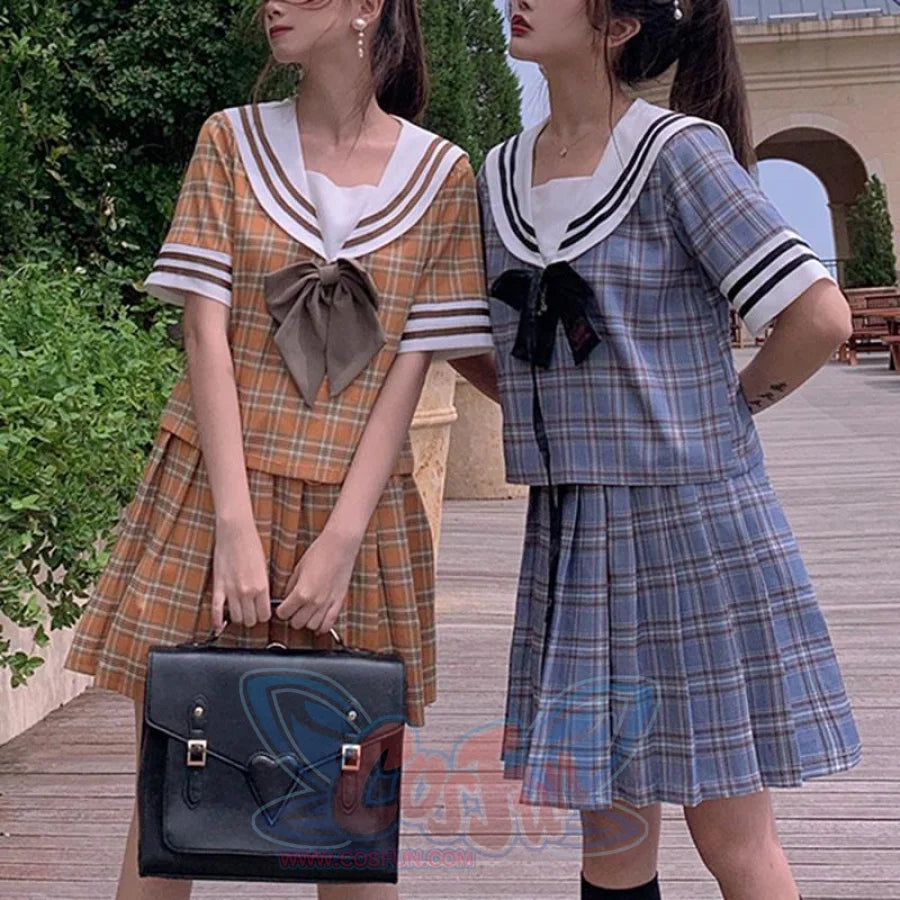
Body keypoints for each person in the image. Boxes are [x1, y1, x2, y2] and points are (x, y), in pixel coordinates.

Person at [63, 1, 493, 898]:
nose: (273, 4)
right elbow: (204, 334)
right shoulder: (230, 141)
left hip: (357, 518)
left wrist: (340, 540)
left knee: (351, 822)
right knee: (168, 803)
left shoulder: (442, 174)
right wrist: (236, 526)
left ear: (367, 7)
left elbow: (411, 367)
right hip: (212, 496)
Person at [470, 1, 862, 897]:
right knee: (610, 841)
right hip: (573, 531)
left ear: (617, 27)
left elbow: (818, 316)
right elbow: (474, 339)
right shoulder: (498, 173)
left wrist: (722, 414)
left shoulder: (678, 152)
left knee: (731, 835)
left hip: (692, 526)